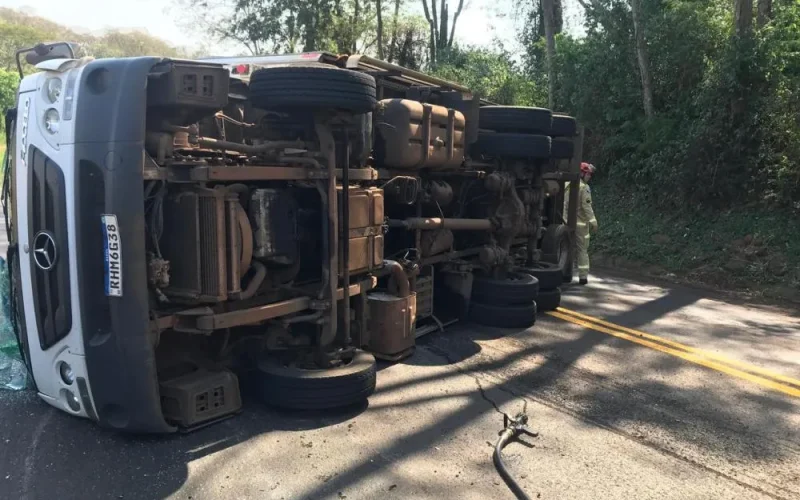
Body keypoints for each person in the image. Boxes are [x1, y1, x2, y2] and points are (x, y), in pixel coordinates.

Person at [563, 162, 598, 285]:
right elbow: (586, 206)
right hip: (581, 225)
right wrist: (593, 221)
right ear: (582, 173)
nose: (590, 177)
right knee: (582, 250)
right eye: (588, 174)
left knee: (566, 249)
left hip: (564, 222)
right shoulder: (584, 188)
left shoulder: (567, 185)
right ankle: (583, 277)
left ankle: (566, 274)